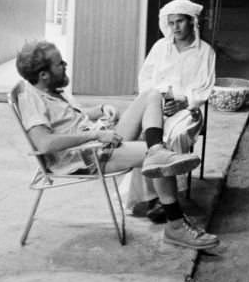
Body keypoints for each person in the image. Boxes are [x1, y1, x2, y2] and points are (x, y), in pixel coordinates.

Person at [14, 40, 220, 250]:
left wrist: (101, 109)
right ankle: (175, 226)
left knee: (152, 95)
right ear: (43, 75)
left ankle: (156, 150)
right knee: (161, 156)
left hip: (97, 142)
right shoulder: (31, 100)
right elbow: (45, 143)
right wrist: (96, 134)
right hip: (87, 157)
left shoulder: (49, 90)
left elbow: (67, 120)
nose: (65, 64)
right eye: (60, 63)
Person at [128, 0, 216, 223]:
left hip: (188, 110)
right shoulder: (160, 47)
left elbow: (204, 87)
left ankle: (170, 198)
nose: (175, 27)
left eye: (180, 22)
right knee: (147, 137)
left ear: (192, 22)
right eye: (171, 23)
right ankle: (150, 198)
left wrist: (184, 101)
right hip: (157, 105)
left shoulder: (205, 52)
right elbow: (145, 78)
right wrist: (156, 99)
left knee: (174, 135)